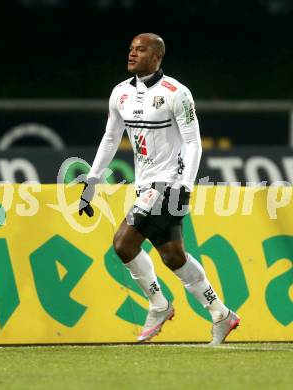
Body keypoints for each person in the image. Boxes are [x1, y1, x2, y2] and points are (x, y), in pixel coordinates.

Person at [79, 33, 240, 345]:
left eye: (141, 50)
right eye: (130, 49)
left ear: (157, 56)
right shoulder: (120, 94)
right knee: (172, 255)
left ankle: (158, 305)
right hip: (146, 184)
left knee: (124, 243)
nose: (132, 54)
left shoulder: (176, 93)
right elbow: (111, 139)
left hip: (168, 183)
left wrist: (184, 185)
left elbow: (193, 143)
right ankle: (221, 313)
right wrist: (92, 181)